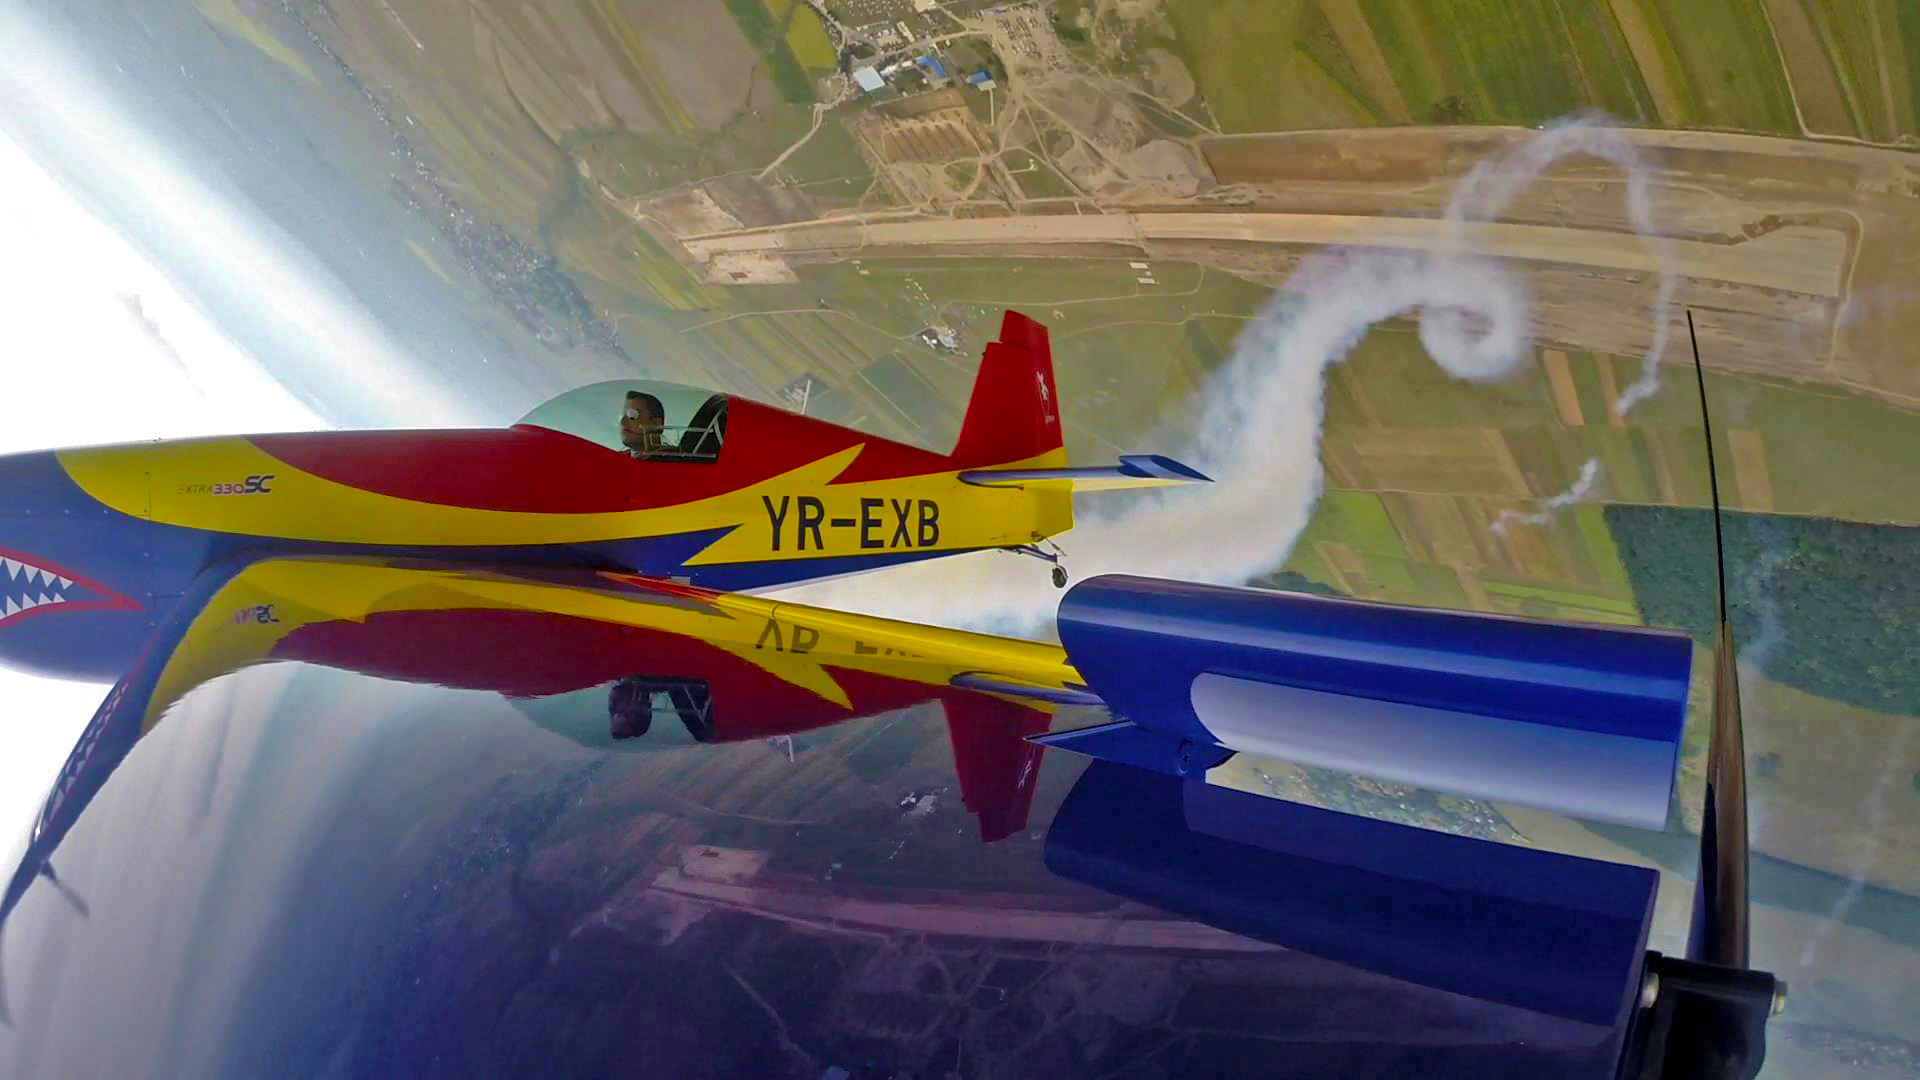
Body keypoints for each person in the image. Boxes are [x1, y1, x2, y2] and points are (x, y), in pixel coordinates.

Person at [619, 391, 666, 458]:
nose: (623, 421)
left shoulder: (675, 461)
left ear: (657, 423)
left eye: (632, 415)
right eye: (622, 415)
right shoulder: (614, 460)